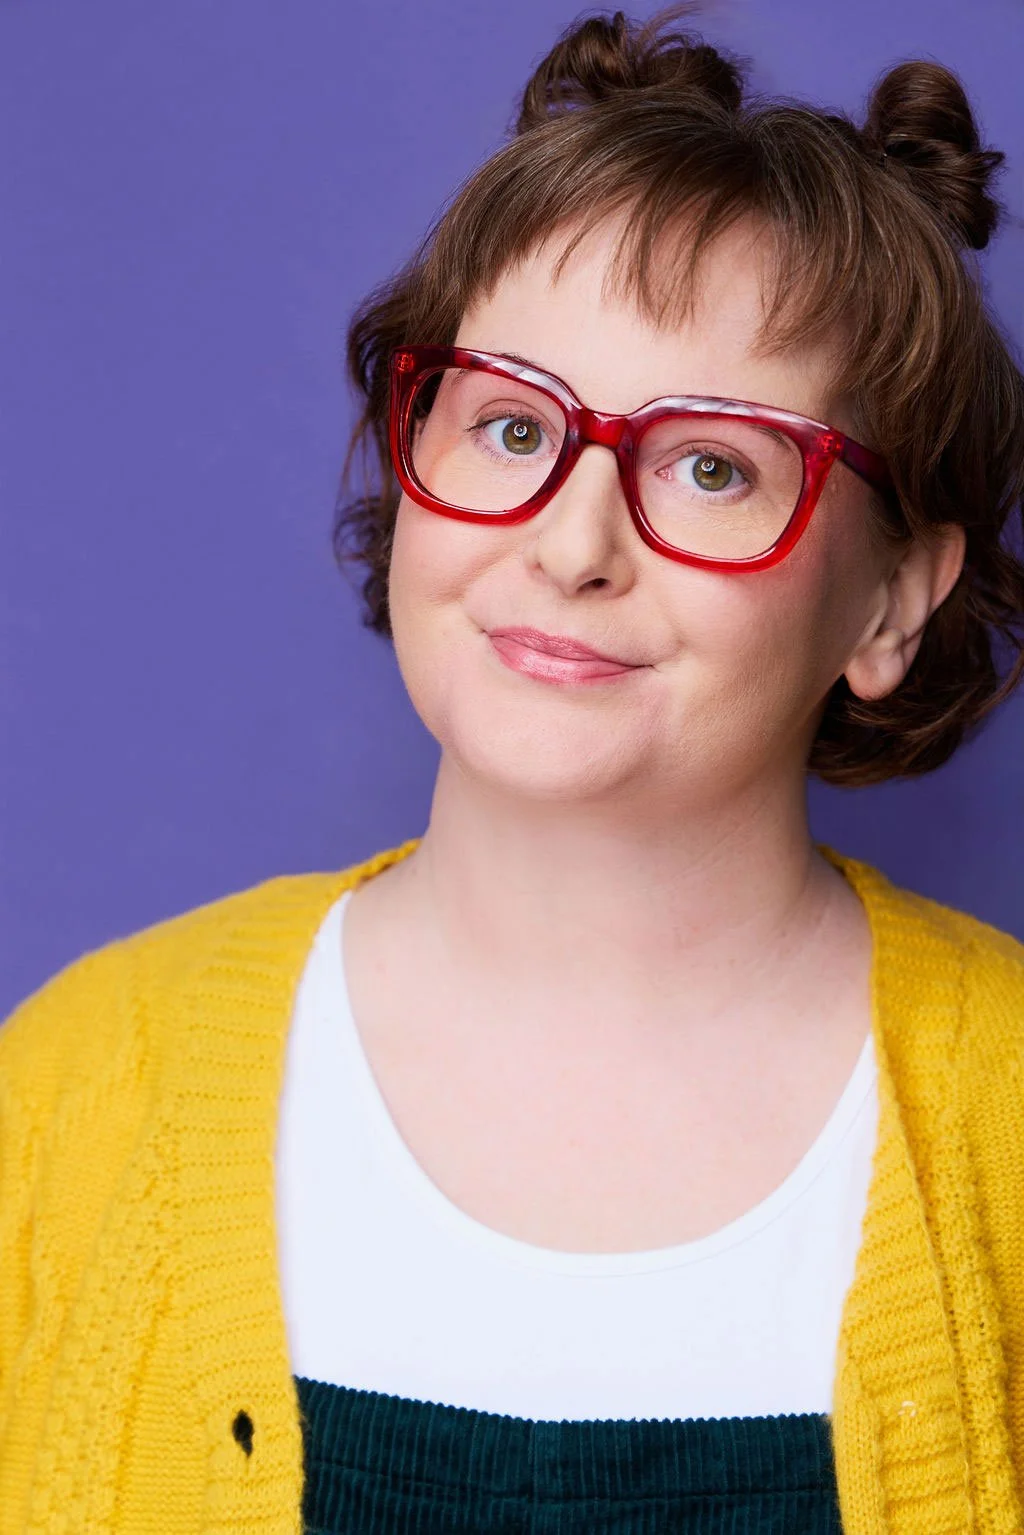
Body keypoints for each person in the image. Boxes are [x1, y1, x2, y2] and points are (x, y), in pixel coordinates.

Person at [2, 7, 1023, 1532]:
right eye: (509, 425)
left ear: (892, 601)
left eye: (713, 463)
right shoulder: (77, 1079)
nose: (569, 542)